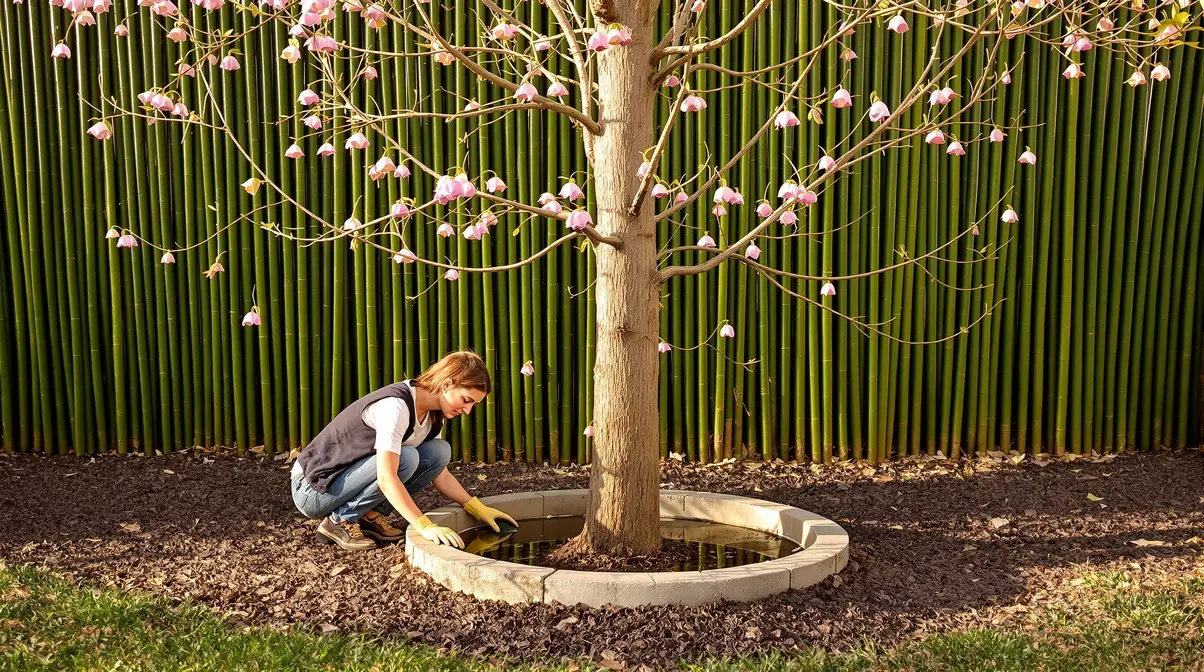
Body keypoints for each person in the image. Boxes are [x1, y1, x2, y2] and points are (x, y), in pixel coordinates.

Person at [290, 350, 518, 551]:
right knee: (407, 457)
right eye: (466, 400)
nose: (467, 411)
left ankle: (370, 515)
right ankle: (340, 521)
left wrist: (476, 507)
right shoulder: (396, 406)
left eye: (473, 405)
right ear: (447, 384)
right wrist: (424, 525)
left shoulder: (434, 415)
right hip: (314, 489)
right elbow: (386, 478)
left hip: (342, 483)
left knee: (439, 452)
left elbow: (440, 473)